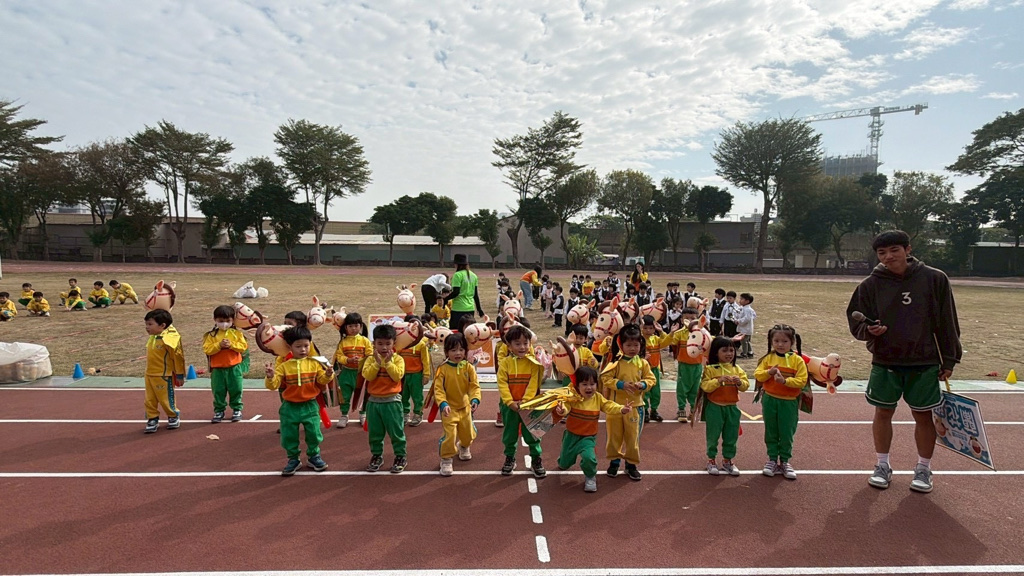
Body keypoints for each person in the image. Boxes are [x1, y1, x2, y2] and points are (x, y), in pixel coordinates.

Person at [847, 229, 962, 494]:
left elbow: (947, 320)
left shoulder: (934, 278)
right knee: (883, 412)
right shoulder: (870, 284)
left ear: (908, 249)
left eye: (894, 250)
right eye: (882, 252)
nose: (888, 257)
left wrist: (949, 359)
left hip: (924, 359)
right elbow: (856, 320)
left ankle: (923, 468)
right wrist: (869, 331)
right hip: (885, 359)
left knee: (923, 415)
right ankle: (882, 465)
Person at [264, 326, 333, 476]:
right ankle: (293, 459)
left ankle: (314, 456)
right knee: (289, 435)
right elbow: (273, 385)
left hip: (310, 405)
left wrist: (328, 374)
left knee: (314, 433)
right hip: (290, 407)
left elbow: (322, 380)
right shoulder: (284, 366)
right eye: (298, 346)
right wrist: (270, 377)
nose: (303, 349)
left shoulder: (314, 363)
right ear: (289, 347)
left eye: (306, 346)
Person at [555, 366, 632, 492]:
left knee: (589, 458)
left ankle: (590, 477)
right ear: (577, 385)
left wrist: (621, 409)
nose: (589, 388)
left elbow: (608, 405)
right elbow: (566, 406)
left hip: (588, 437)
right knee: (564, 463)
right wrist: (562, 410)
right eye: (584, 384)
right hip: (571, 436)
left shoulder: (598, 398)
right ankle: (563, 461)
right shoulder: (573, 397)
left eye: (592, 384)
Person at [600, 324, 655, 481]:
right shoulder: (615, 362)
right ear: (621, 344)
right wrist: (621, 384)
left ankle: (631, 464)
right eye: (628, 345)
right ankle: (614, 462)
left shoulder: (643, 363)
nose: (632, 348)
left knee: (632, 438)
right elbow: (605, 378)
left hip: (636, 407)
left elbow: (651, 379)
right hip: (616, 407)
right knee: (614, 436)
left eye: (636, 345)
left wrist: (642, 384)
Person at [753, 324, 808, 480]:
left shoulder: (797, 360)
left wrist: (785, 381)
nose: (780, 345)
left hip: (788, 402)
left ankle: (784, 461)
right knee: (771, 430)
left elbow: (802, 381)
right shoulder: (768, 358)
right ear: (771, 341)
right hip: (770, 399)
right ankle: (772, 459)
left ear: (792, 342)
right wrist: (768, 372)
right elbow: (758, 375)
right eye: (776, 341)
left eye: (784, 341)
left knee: (786, 432)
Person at [497, 325, 546, 477]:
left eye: (526, 343)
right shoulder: (505, 363)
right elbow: (502, 384)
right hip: (510, 407)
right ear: (509, 346)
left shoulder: (534, 363)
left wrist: (525, 402)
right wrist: (510, 402)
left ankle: (536, 459)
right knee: (510, 434)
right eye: (517, 343)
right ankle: (510, 458)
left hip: (530, 406)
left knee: (533, 434)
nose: (522, 347)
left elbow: (533, 384)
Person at [362, 323, 407, 473]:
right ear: (374, 343)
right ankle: (376, 456)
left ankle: (400, 456)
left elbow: (397, 376)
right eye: (380, 343)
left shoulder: (398, 359)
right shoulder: (370, 359)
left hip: (392, 402)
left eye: (388, 343)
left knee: (396, 432)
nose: (384, 347)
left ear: (394, 343)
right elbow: (368, 376)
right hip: (374, 402)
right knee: (375, 433)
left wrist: (387, 363)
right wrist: (377, 363)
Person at [701, 337, 750, 476]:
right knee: (713, 436)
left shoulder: (736, 369)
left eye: (731, 350)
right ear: (716, 353)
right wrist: (718, 381)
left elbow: (745, 386)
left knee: (731, 436)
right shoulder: (710, 369)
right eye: (724, 350)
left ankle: (728, 460)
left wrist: (740, 383)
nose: (729, 354)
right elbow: (705, 386)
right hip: (715, 408)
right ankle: (711, 460)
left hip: (732, 408)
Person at [434, 332, 481, 476]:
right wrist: (443, 403)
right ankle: (446, 458)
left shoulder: (468, 367)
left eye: (461, 349)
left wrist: (475, 399)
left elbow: (474, 386)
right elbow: (438, 389)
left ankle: (464, 446)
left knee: (468, 434)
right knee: (450, 435)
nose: (458, 353)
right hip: (449, 409)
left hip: (465, 407)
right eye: (453, 350)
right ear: (446, 352)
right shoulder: (442, 369)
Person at [203, 305, 249, 423]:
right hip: (217, 369)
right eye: (221, 321)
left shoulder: (237, 334)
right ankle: (219, 410)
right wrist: (219, 345)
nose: (224, 323)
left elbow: (243, 347)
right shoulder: (211, 335)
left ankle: (237, 409)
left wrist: (232, 345)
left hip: (234, 368)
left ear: (233, 320)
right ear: (215, 320)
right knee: (218, 391)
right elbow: (207, 349)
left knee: (236, 389)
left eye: (228, 320)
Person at [143, 309, 185, 434]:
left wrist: (179, 374)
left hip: (163, 375)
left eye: (150, 324)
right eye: (146, 324)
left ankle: (173, 415)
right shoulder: (153, 337)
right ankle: (152, 418)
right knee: (149, 399)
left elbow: (177, 358)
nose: (147, 327)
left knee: (165, 398)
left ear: (162, 325)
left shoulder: (169, 339)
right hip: (149, 374)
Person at [333, 312, 373, 428]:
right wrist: (348, 360)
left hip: (362, 373)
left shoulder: (365, 340)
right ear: (345, 327)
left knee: (364, 394)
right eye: (350, 326)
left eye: (356, 325)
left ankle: (363, 414)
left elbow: (370, 354)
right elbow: (339, 356)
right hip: (346, 373)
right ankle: (344, 415)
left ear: (361, 326)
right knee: (345, 395)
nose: (353, 328)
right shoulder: (343, 342)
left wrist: (362, 361)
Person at [670, 307, 703, 423]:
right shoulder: (679, 334)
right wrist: (671, 333)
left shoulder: (702, 333)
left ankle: (693, 409)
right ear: (681, 320)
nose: (690, 320)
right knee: (682, 387)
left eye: (693, 318)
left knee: (696, 387)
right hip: (684, 365)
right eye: (687, 318)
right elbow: (672, 343)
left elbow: (710, 342)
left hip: (697, 366)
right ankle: (681, 408)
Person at [398, 315, 432, 427]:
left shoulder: (421, 344)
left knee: (417, 396)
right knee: (403, 395)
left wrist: (426, 374)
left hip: (416, 374)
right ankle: (405, 413)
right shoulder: (401, 343)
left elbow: (425, 361)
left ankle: (418, 413)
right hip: (403, 375)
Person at [642, 315, 671, 423]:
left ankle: (654, 410)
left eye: (651, 328)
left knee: (656, 391)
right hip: (644, 370)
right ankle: (645, 410)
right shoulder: (639, 340)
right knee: (645, 391)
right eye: (645, 328)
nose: (648, 330)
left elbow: (667, 342)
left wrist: (662, 331)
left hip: (655, 369)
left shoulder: (656, 339)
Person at [447, 254, 486, 330]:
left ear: (457, 264)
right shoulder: (473, 276)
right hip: (470, 308)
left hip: (458, 308)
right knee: (468, 331)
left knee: (455, 330)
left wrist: (445, 299)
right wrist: (479, 309)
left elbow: (456, 292)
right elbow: (475, 295)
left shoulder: (457, 275)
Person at [736, 293, 757, 358]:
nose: (740, 300)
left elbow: (747, 319)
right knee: (746, 341)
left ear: (747, 301)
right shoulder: (743, 308)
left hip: (746, 329)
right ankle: (750, 352)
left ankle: (744, 353)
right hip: (745, 328)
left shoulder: (748, 310)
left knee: (744, 341)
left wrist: (739, 321)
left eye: (742, 299)